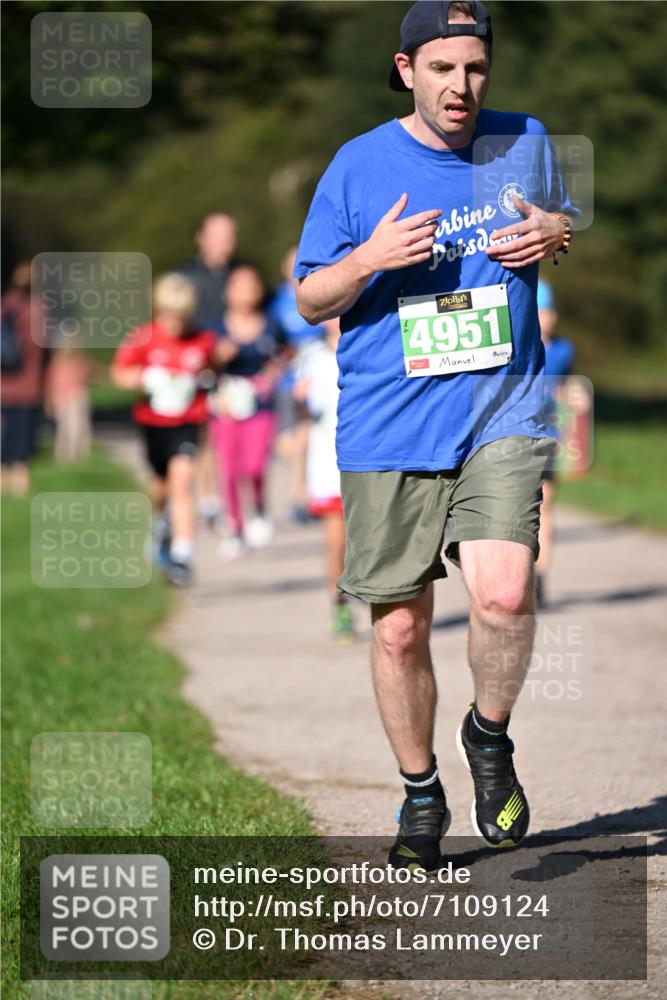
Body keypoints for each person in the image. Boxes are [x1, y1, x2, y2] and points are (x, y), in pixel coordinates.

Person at [295, 0, 576, 870]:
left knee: (501, 592)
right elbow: (310, 297)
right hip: (389, 420)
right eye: (443, 68)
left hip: (503, 405)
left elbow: (561, 220)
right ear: (406, 67)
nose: (461, 86)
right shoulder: (357, 166)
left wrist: (554, 231)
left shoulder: (521, 140)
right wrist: (367, 261)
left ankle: (487, 737)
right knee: (398, 631)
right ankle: (420, 791)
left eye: (475, 68)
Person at [111, 273, 231, 586]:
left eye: (181, 317)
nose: (175, 323)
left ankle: (182, 555)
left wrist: (208, 381)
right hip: (153, 422)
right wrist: (144, 378)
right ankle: (160, 524)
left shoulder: (202, 341)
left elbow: (214, 368)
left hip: (187, 423)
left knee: (182, 481)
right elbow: (119, 374)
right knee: (161, 486)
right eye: (169, 316)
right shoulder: (143, 338)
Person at [209, 262, 287, 560]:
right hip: (225, 404)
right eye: (239, 285)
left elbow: (285, 353)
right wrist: (217, 358)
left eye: (252, 285)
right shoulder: (215, 327)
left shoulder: (270, 323)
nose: (246, 292)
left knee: (254, 465)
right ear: (228, 292)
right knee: (229, 469)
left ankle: (259, 507)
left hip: (260, 403)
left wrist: (274, 372)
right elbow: (203, 364)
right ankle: (236, 529)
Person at [294, 318, 355, 642]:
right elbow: (302, 414)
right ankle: (340, 604)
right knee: (336, 541)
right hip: (327, 461)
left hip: (370, 456)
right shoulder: (313, 357)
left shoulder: (369, 343)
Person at [179, 212, 239, 529]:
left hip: (236, 368)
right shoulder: (185, 277)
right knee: (202, 435)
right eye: (218, 236)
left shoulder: (241, 273)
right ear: (201, 238)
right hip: (199, 366)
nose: (225, 244)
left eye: (230, 236)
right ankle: (208, 498)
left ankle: (232, 500)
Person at [270, 245, 325, 524]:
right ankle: (295, 493)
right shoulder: (278, 302)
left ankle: (299, 496)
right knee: (288, 444)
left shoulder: (320, 294)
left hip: (314, 380)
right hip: (287, 382)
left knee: (307, 438)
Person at [535, 279, 574, 608]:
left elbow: (567, 394)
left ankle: (540, 575)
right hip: (517, 440)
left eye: (548, 312)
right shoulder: (517, 346)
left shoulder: (563, 351)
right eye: (538, 312)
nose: (544, 318)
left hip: (549, 439)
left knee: (546, 505)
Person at [1, 261, 46, 496]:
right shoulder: (38, 309)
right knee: (23, 435)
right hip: (28, 383)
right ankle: (19, 482)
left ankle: (3, 480)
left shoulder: (6, 305)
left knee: (4, 432)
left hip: (4, 382)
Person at [44, 335, 100, 463]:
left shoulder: (79, 361)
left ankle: (79, 453)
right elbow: (50, 385)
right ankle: (66, 454)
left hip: (77, 397)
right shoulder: (56, 363)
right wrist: (50, 402)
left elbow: (92, 373)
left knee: (79, 426)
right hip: (63, 399)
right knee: (65, 427)